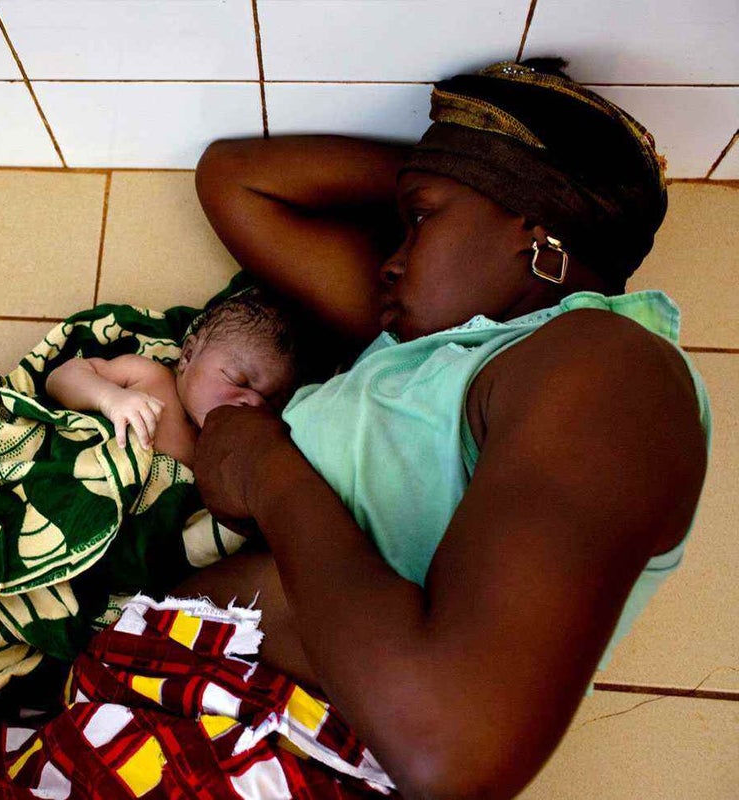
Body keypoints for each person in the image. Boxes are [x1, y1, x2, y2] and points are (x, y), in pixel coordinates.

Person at [177, 58, 712, 799]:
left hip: (276, 761)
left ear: (539, 234)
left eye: (418, 221)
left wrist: (265, 470)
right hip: (173, 720)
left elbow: (447, 748)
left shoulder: (607, 367)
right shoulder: (431, 345)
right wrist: (453, 178)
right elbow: (236, 178)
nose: (391, 262)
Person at [47, 287, 301, 468]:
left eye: (269, 401)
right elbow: (61, 378)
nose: (254, 403)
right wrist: (110, 398)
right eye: (238, 380)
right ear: (188, 355)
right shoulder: (149, 377)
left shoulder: (227, 452)